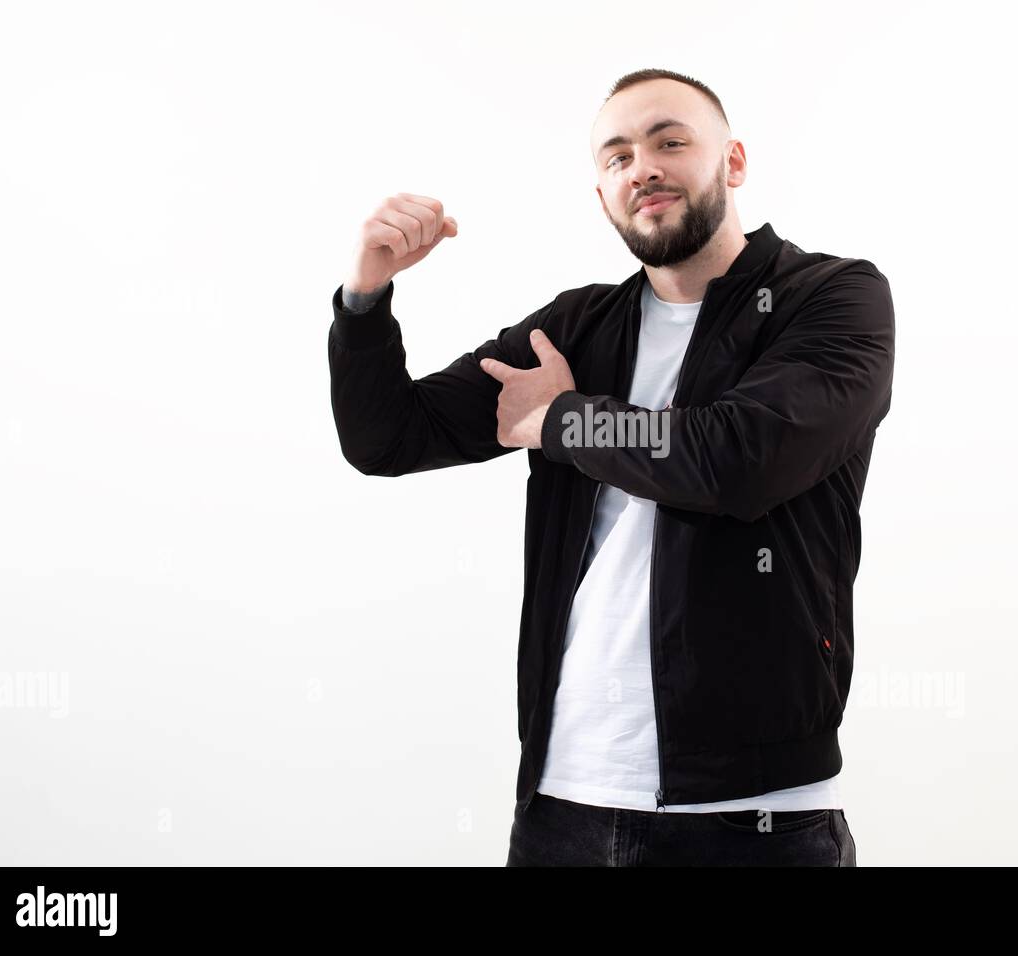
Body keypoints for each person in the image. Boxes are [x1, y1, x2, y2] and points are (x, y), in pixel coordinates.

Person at [327, 68, 893, 866]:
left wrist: (562, 419)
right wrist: (366, 295)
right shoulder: (578, 327)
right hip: (564, 807)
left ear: (732, 162)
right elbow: (386, 438)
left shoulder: (831, 298)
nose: (644, 167)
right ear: (602, 195)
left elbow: (741, 458)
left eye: (670, 142)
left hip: (754, 820)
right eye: (618, 156)